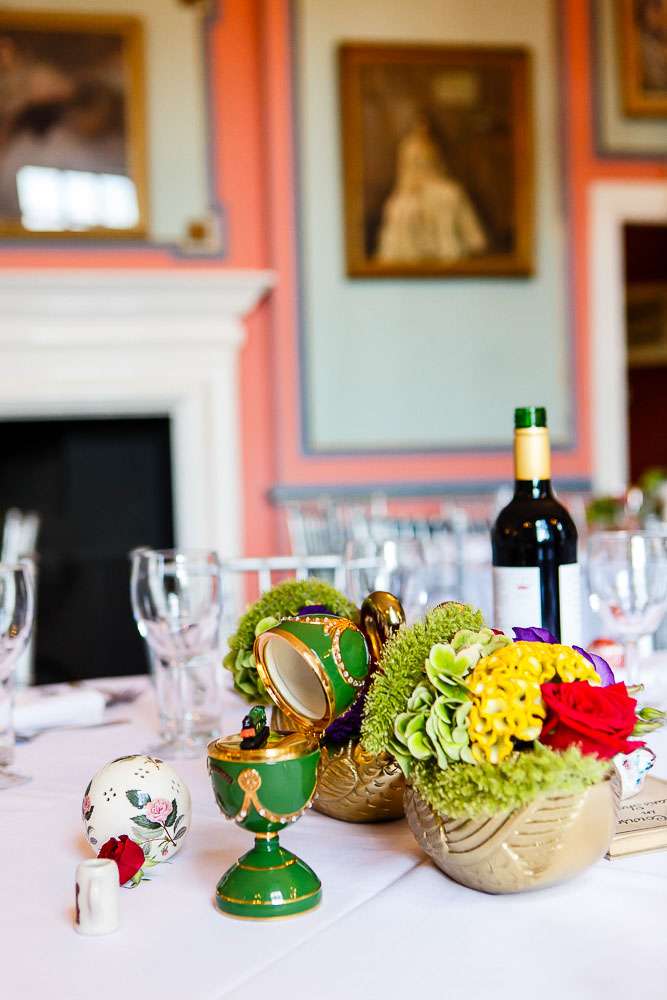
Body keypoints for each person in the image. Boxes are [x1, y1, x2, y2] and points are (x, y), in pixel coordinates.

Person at [376, 118, 487, 264]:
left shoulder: (450, 193)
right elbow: (386, 256)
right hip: (410, 271)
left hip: (453, 268)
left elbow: (476, 242)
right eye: (412, 161)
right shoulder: (398, 204)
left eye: (420, 160)